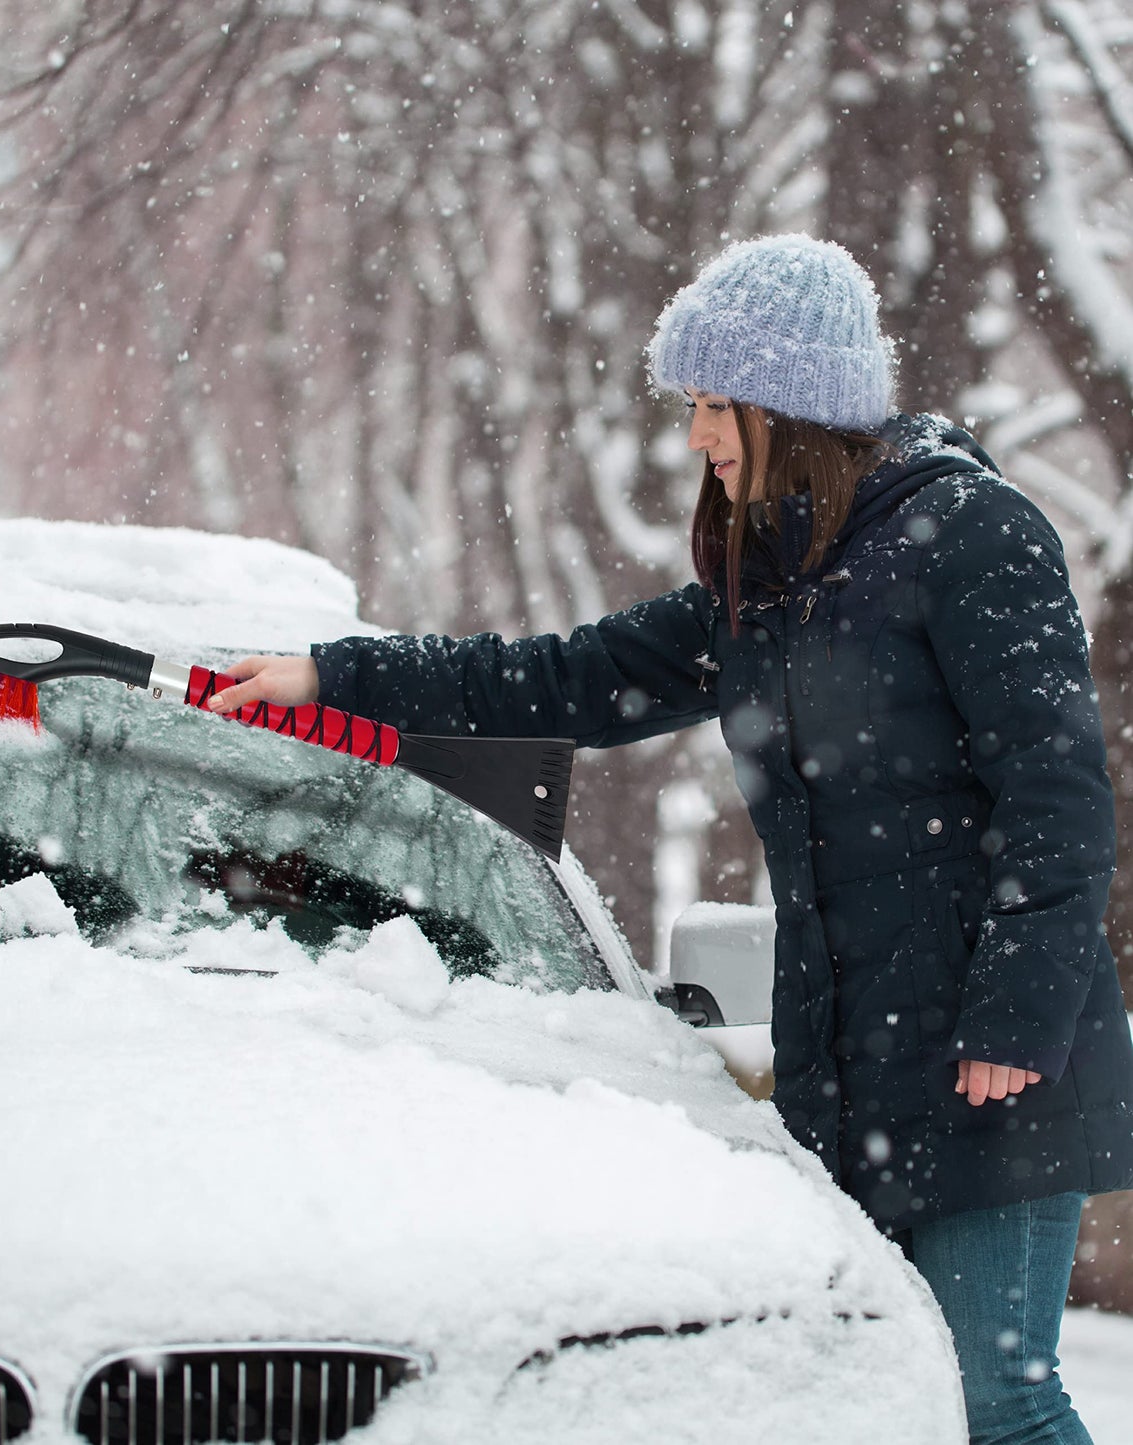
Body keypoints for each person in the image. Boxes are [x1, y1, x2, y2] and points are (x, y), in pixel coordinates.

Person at [206, 234, 1133, 1443]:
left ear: (784, 403)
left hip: (984, 1059)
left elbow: (1055, 797)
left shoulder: (970, 533)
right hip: (850, 1066)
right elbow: (565, 679)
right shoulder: (769, 581)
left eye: (710, 404)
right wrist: (336, 675)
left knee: (995, 1400)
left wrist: (1012, 1019)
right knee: (888, 1406)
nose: (694, 435)